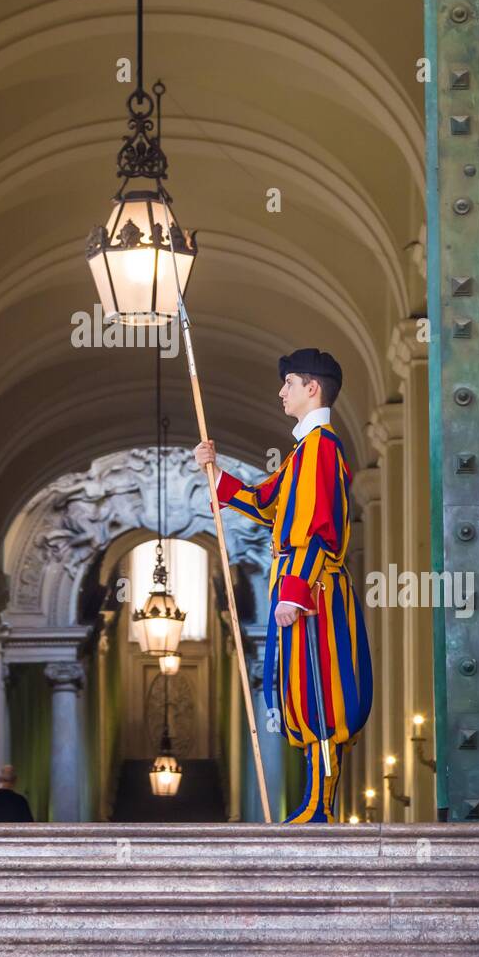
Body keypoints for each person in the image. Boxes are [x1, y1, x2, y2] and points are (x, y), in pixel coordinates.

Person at [193, 348, 372, 823]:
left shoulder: (321, 448)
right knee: (300, 690)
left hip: (313, 589)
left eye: (288, 383)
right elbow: (265, 501)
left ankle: (320, 806)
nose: (281, 392)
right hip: (301, 586)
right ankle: (315, 803)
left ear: (311, 388)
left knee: (320, 691)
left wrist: (294, 592)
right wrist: (215, 472)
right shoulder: (302, 452)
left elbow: (317, 527)